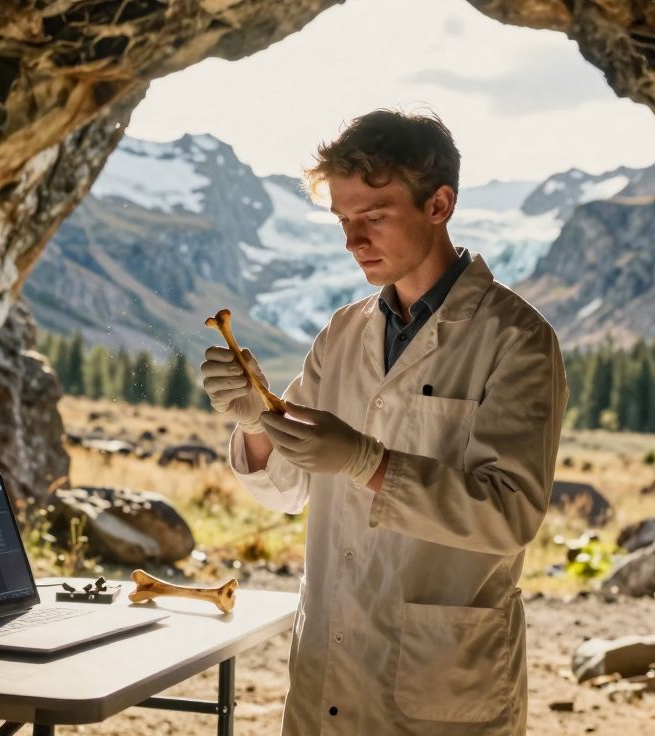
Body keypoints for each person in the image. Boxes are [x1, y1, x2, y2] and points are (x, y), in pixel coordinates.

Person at [200, 109, 568, 735]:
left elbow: (509, 514)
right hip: (328, 666)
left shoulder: (517, 339)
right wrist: (256, 420)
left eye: (373, 216)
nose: (353, 240)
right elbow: (287, 488)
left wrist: (366, 463)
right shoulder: (343, 333)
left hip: (442, 681)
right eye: (344, 220)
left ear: (438, 204)